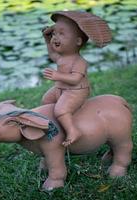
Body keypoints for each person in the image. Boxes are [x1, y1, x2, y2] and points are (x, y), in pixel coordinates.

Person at [42, 11, 112, 146]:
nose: (55, 38)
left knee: (61, 110)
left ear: (78, 41)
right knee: (46, 100)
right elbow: (51, 53)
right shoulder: (61, 57)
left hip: (76, 91)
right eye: (54, 33)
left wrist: (57, 76)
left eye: (61, 34)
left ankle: (73, 131)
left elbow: (75, 79)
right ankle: (53, 125)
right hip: (60, 88)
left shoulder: (79, 61)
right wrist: (46, 39)